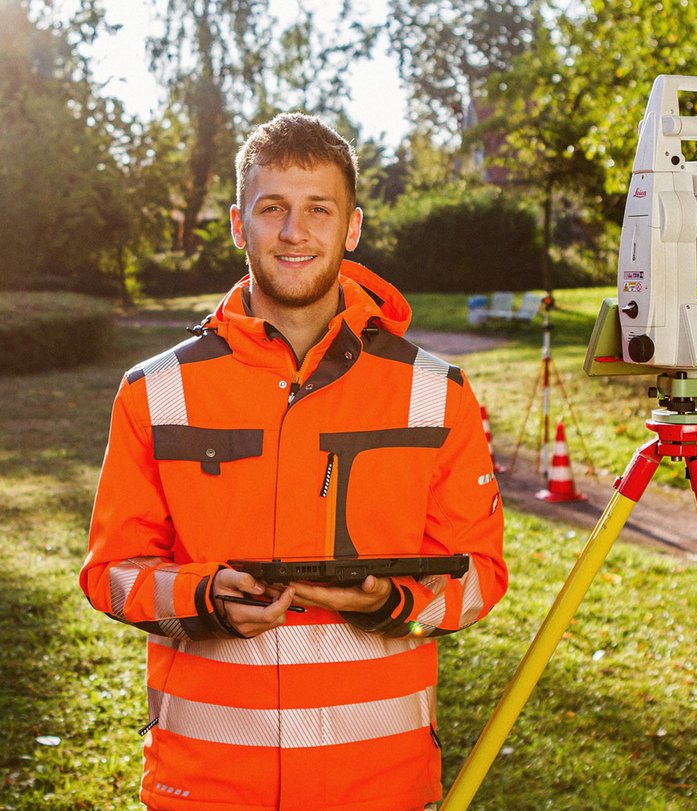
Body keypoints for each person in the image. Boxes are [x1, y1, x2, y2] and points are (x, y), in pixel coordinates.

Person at [80, 112, 507, 811]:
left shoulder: (437, 392)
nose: (294, 231)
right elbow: (111, 573)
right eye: (272, 207)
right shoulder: (155, 391)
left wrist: (393, 602)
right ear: (238, 224)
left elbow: (480, 575)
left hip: (380, 785)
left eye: (319, 209)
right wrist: (202, 598)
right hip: (207, 786)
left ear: (353, 227)